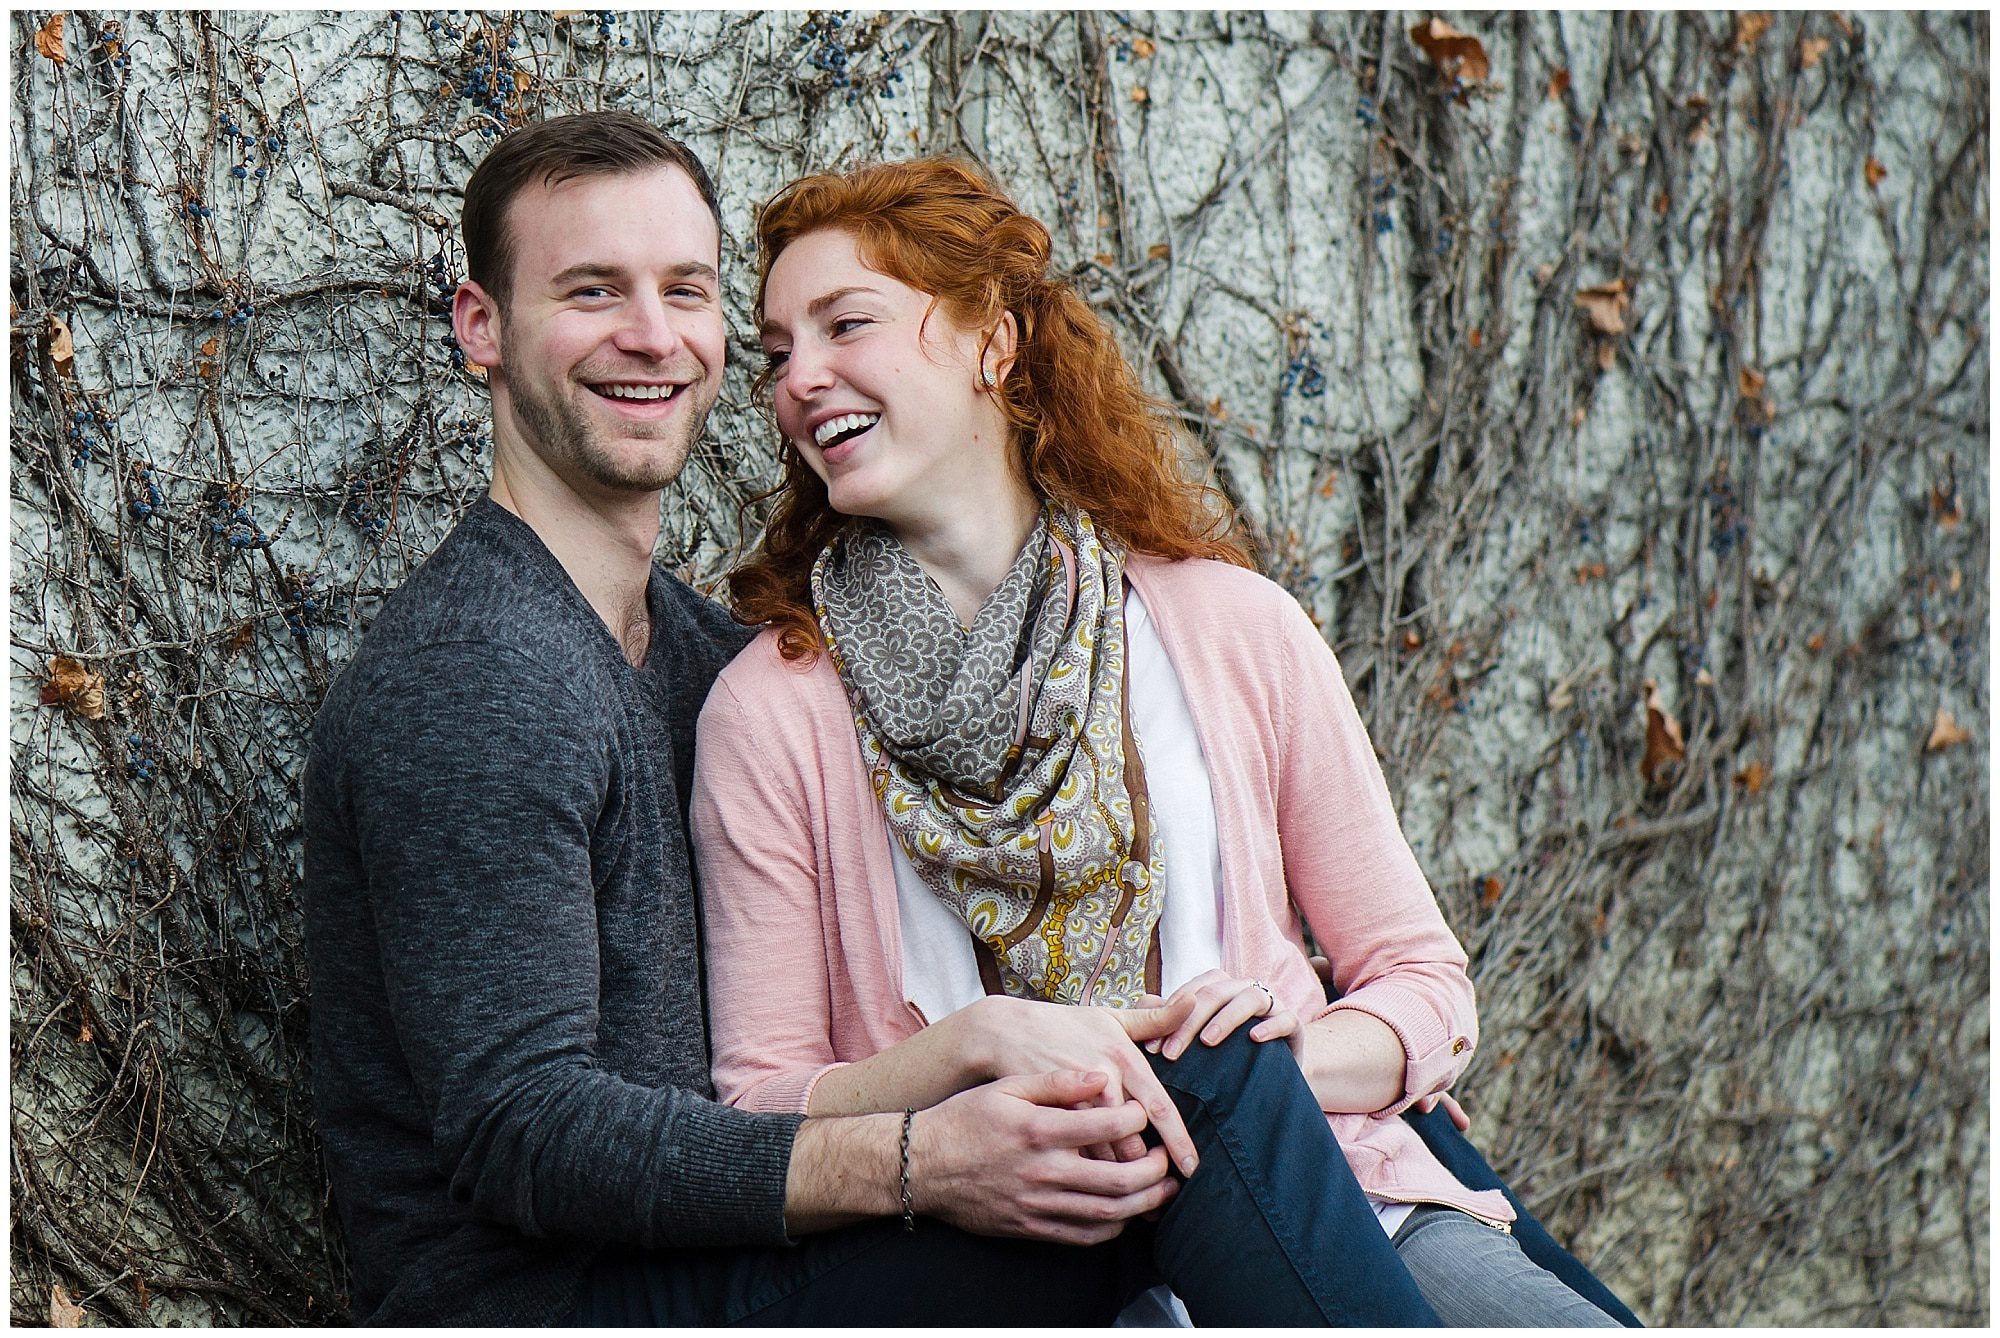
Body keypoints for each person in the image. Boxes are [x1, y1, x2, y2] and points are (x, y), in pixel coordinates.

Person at [299, 111, 1469, 1328]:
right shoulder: (475, 676)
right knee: (1177, 1108)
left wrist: (1328, 1058)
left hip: (736, 1253)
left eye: (685, 292)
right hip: (579, 1300)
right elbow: (522, 1132)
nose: (651, 335)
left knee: (1196, 1106)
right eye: (592, 291)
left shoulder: (698, 651)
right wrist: (925, 1156)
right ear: (480, 326)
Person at [694, 155, 1641, 1327]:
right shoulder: (774, 713)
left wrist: (1260, 1078)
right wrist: (969, 1054)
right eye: (777, 353)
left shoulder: (1230, 628)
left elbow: (1422, 984)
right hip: (1016, 1256)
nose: (799, 379)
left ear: (994, 342)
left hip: (1336, 1192)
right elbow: (758, 1109)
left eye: (847, 324)